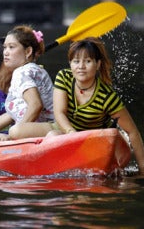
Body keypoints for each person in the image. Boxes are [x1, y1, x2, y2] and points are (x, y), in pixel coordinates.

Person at [48, 37, 144, 174]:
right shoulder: (64, 77)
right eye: (76, 61)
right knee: (17, 131)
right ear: (70, 64)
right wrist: (72, 135)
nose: (81, 66)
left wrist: (142, 170)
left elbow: (132, 132)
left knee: (52, 135)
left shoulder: (107, 96)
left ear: (98, 64)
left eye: (87, 61)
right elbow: (59, 113)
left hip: (97, 141)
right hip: (68, 131)